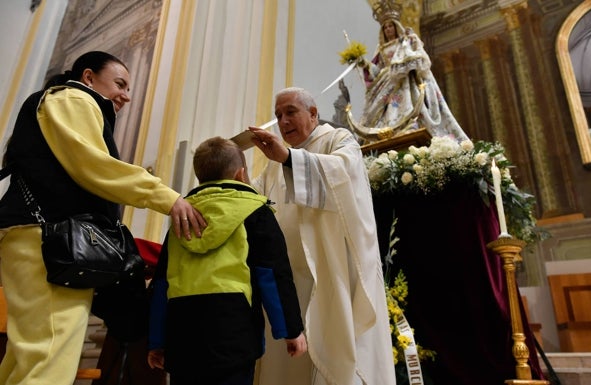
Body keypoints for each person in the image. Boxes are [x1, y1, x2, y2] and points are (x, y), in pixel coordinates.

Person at [0, 51, 206, 385]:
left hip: (31, 237)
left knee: (28, 356)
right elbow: (94, 165)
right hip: (50, 242)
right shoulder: (74, 98)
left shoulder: (55, 102)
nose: (126, 95)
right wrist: (167, 197)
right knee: (50, 359)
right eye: (120, 84)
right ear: (89, 77)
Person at [248, 87, 396, 385]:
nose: (283, 121)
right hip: (289, 279)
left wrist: (290, 158)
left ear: (313, 114)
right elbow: (257, 197)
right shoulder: (274, 162)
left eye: (291, 112)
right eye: (278, 115)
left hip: (330, 274)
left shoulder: (337, 140)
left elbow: (344, 175)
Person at [147, 136, 307, 385]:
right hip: (233, 329)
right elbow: (273, 274)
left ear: (200, 176)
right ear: (241, 174)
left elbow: (161, 283)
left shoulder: (182, 215)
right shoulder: (255, 210)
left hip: (183, 330)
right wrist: (290, 329)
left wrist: (156, 340)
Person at [354, 7, 469, 142]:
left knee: (408, 102)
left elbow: (419, 58)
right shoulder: (381, 49)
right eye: (385, 28)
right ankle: (388, 131)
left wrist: (409, 46)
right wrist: (365, 64)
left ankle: (410, 125)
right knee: (383, 110)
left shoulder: (405, 41)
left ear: (396, 27)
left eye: (391, 26)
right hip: (387, 81)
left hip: (405, 80)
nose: (388, 29)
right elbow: (377, 71)